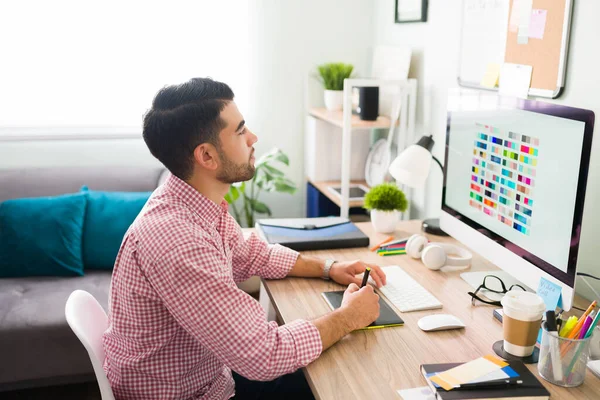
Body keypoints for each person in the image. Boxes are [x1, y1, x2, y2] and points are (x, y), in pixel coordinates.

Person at [102, 77, 386, 400]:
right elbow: (263, 354)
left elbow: (249, 253)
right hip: (192, 394)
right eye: (240, 131)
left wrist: (329, 267)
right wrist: (348, 316)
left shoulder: (192, 201)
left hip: (208, 376)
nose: (253, 138)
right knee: (343, 384)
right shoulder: (178, 240)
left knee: (330, 373)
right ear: (206, 156)